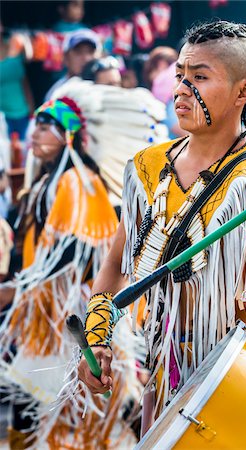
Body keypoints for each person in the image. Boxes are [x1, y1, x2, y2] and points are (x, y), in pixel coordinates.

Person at [78, 19, 246, 433]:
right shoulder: (146, 167)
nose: (181, 88)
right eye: (180, 74)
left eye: (199, 77)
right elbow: (113, 267)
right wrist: (96, 340)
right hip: (165, 369)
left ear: (243, 92)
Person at [0, 96, 121, 449]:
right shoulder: (48, 181)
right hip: (47, 313)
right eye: (35, 125)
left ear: (68, 136)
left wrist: (19, 290)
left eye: (45, 127)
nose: (34, 134)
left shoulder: (77, 181)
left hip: (73, 315)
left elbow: (75, 252)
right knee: (33, 401)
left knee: (50, 405)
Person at [44, 28, 100, 101]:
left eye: (90, 52)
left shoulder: (106, 84)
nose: (86, 58)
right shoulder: (58, 93)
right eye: (79, 52)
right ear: (66, 58)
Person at [0, 23, 34, 140]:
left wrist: (31, 110)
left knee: (24, 151)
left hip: (22, 112)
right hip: (2, 119)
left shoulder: (16, 43)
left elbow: (24, 81)